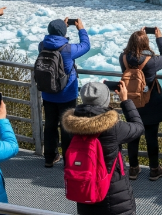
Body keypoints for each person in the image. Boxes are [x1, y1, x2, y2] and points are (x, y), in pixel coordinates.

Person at [62, 82, 144, 215]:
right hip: (115, 197)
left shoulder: (71, 126)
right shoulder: (113, 127)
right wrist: (126, 101)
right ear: (106, 100)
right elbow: (138, 127)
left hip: (85, 194)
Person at [118, 28, 162, 181]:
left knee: (133, 136)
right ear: (146, 43)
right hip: (151, 104)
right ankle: (154, 169)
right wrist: (159, 37)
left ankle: (133, 169)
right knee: (151, 137)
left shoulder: (123, 59)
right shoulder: (151, 61)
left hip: (131, 103)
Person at [39, 17, 90, 168]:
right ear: (63, 32)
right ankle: (68, 160)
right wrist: (81, 28)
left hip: (48, 93)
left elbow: (53, 40)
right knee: (67, 127)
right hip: (67, 94)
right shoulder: (68, 49)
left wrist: (61, 26)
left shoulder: (42, 45)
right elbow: (86, 45)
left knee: (50, 125)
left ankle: (50, 157)